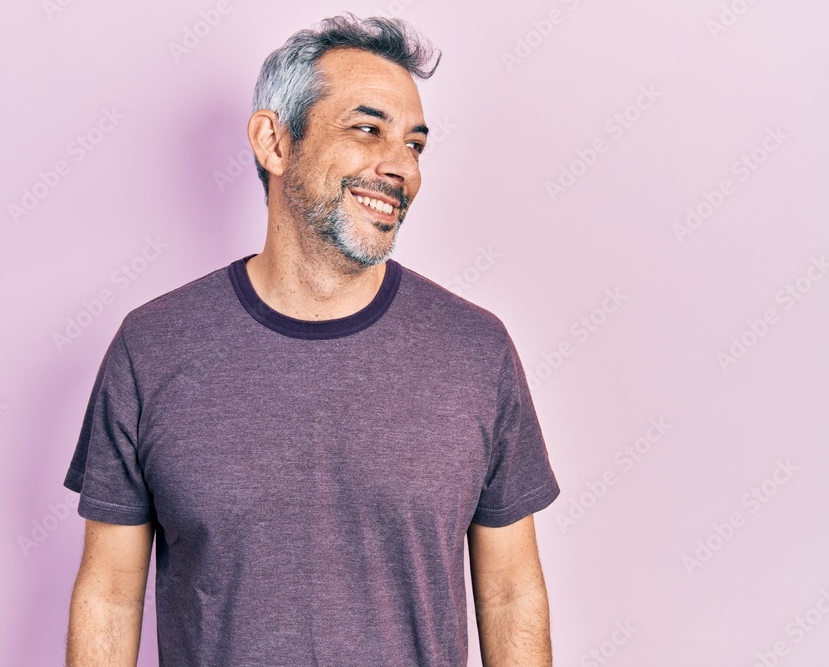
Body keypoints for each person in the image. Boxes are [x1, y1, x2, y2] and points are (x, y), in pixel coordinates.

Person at [64, 13, 559, 667]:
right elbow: (110, 594)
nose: (401, 168)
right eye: (367, 129)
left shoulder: (476, 351)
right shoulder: (151, 348)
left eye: (414, 145)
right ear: (273, 141)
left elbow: (510, 592)